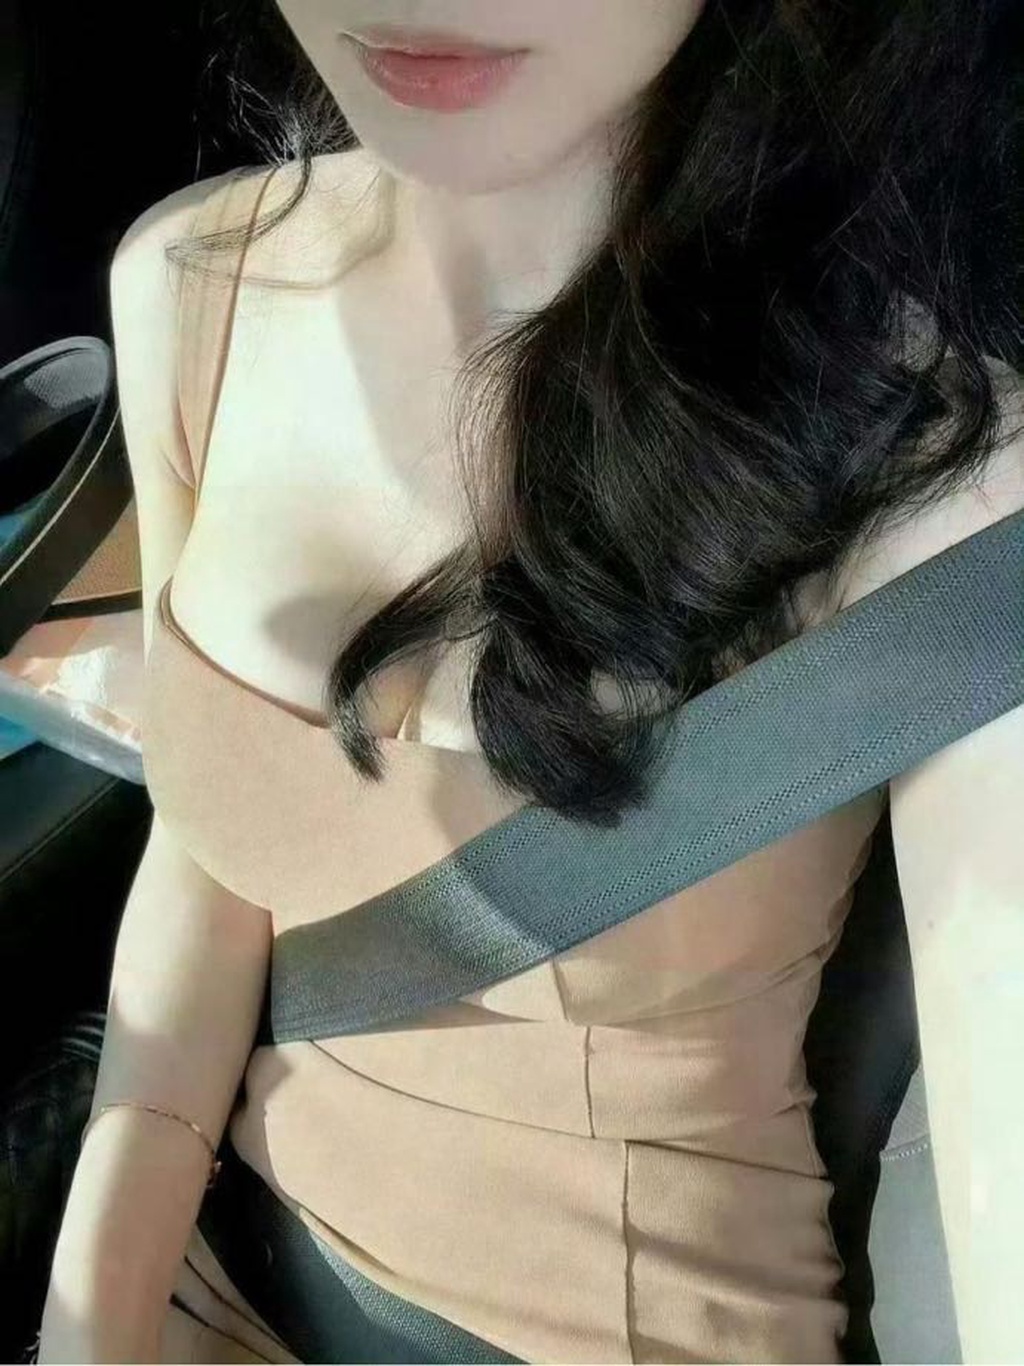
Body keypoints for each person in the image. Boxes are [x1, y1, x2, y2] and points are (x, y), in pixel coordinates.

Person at [37, 0, 1023, 1361]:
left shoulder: (944, 470)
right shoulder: (192, 284)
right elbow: (209, 854)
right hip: (227, 1270)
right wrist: (97, 1303)